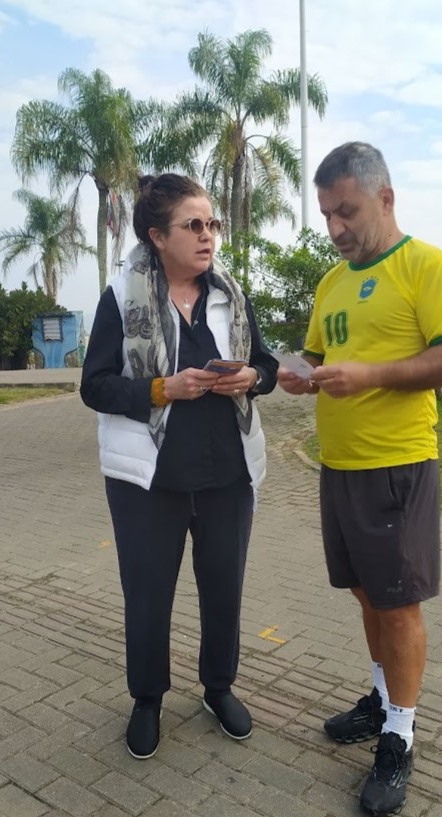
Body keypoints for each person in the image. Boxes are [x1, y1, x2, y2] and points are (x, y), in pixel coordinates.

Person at [278, 142, 442, 817]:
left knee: (398, 604)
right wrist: (295, 374)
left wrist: (369, 375)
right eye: (326, 213)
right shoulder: (331, 283)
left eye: (346, 211)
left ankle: (401, 732)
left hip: (398, 466)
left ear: (384, 198)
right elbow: (316, 355)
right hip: (338, 467)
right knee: (364, 592)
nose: (334, 227)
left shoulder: (427, 267)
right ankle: (381, 696)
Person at [81, 173, 278, 759]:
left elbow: (265, 365)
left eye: (212, 224)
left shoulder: (231, 294)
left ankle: (219, 688)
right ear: (156, 236)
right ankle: (147, 699)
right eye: (194, 225)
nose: (208, 235)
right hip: (149, 481)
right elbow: (94, 386)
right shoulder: (122, 298)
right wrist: (162, 389)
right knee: (147, 595)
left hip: (227, 475)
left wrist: (252, 378)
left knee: (224, 590)